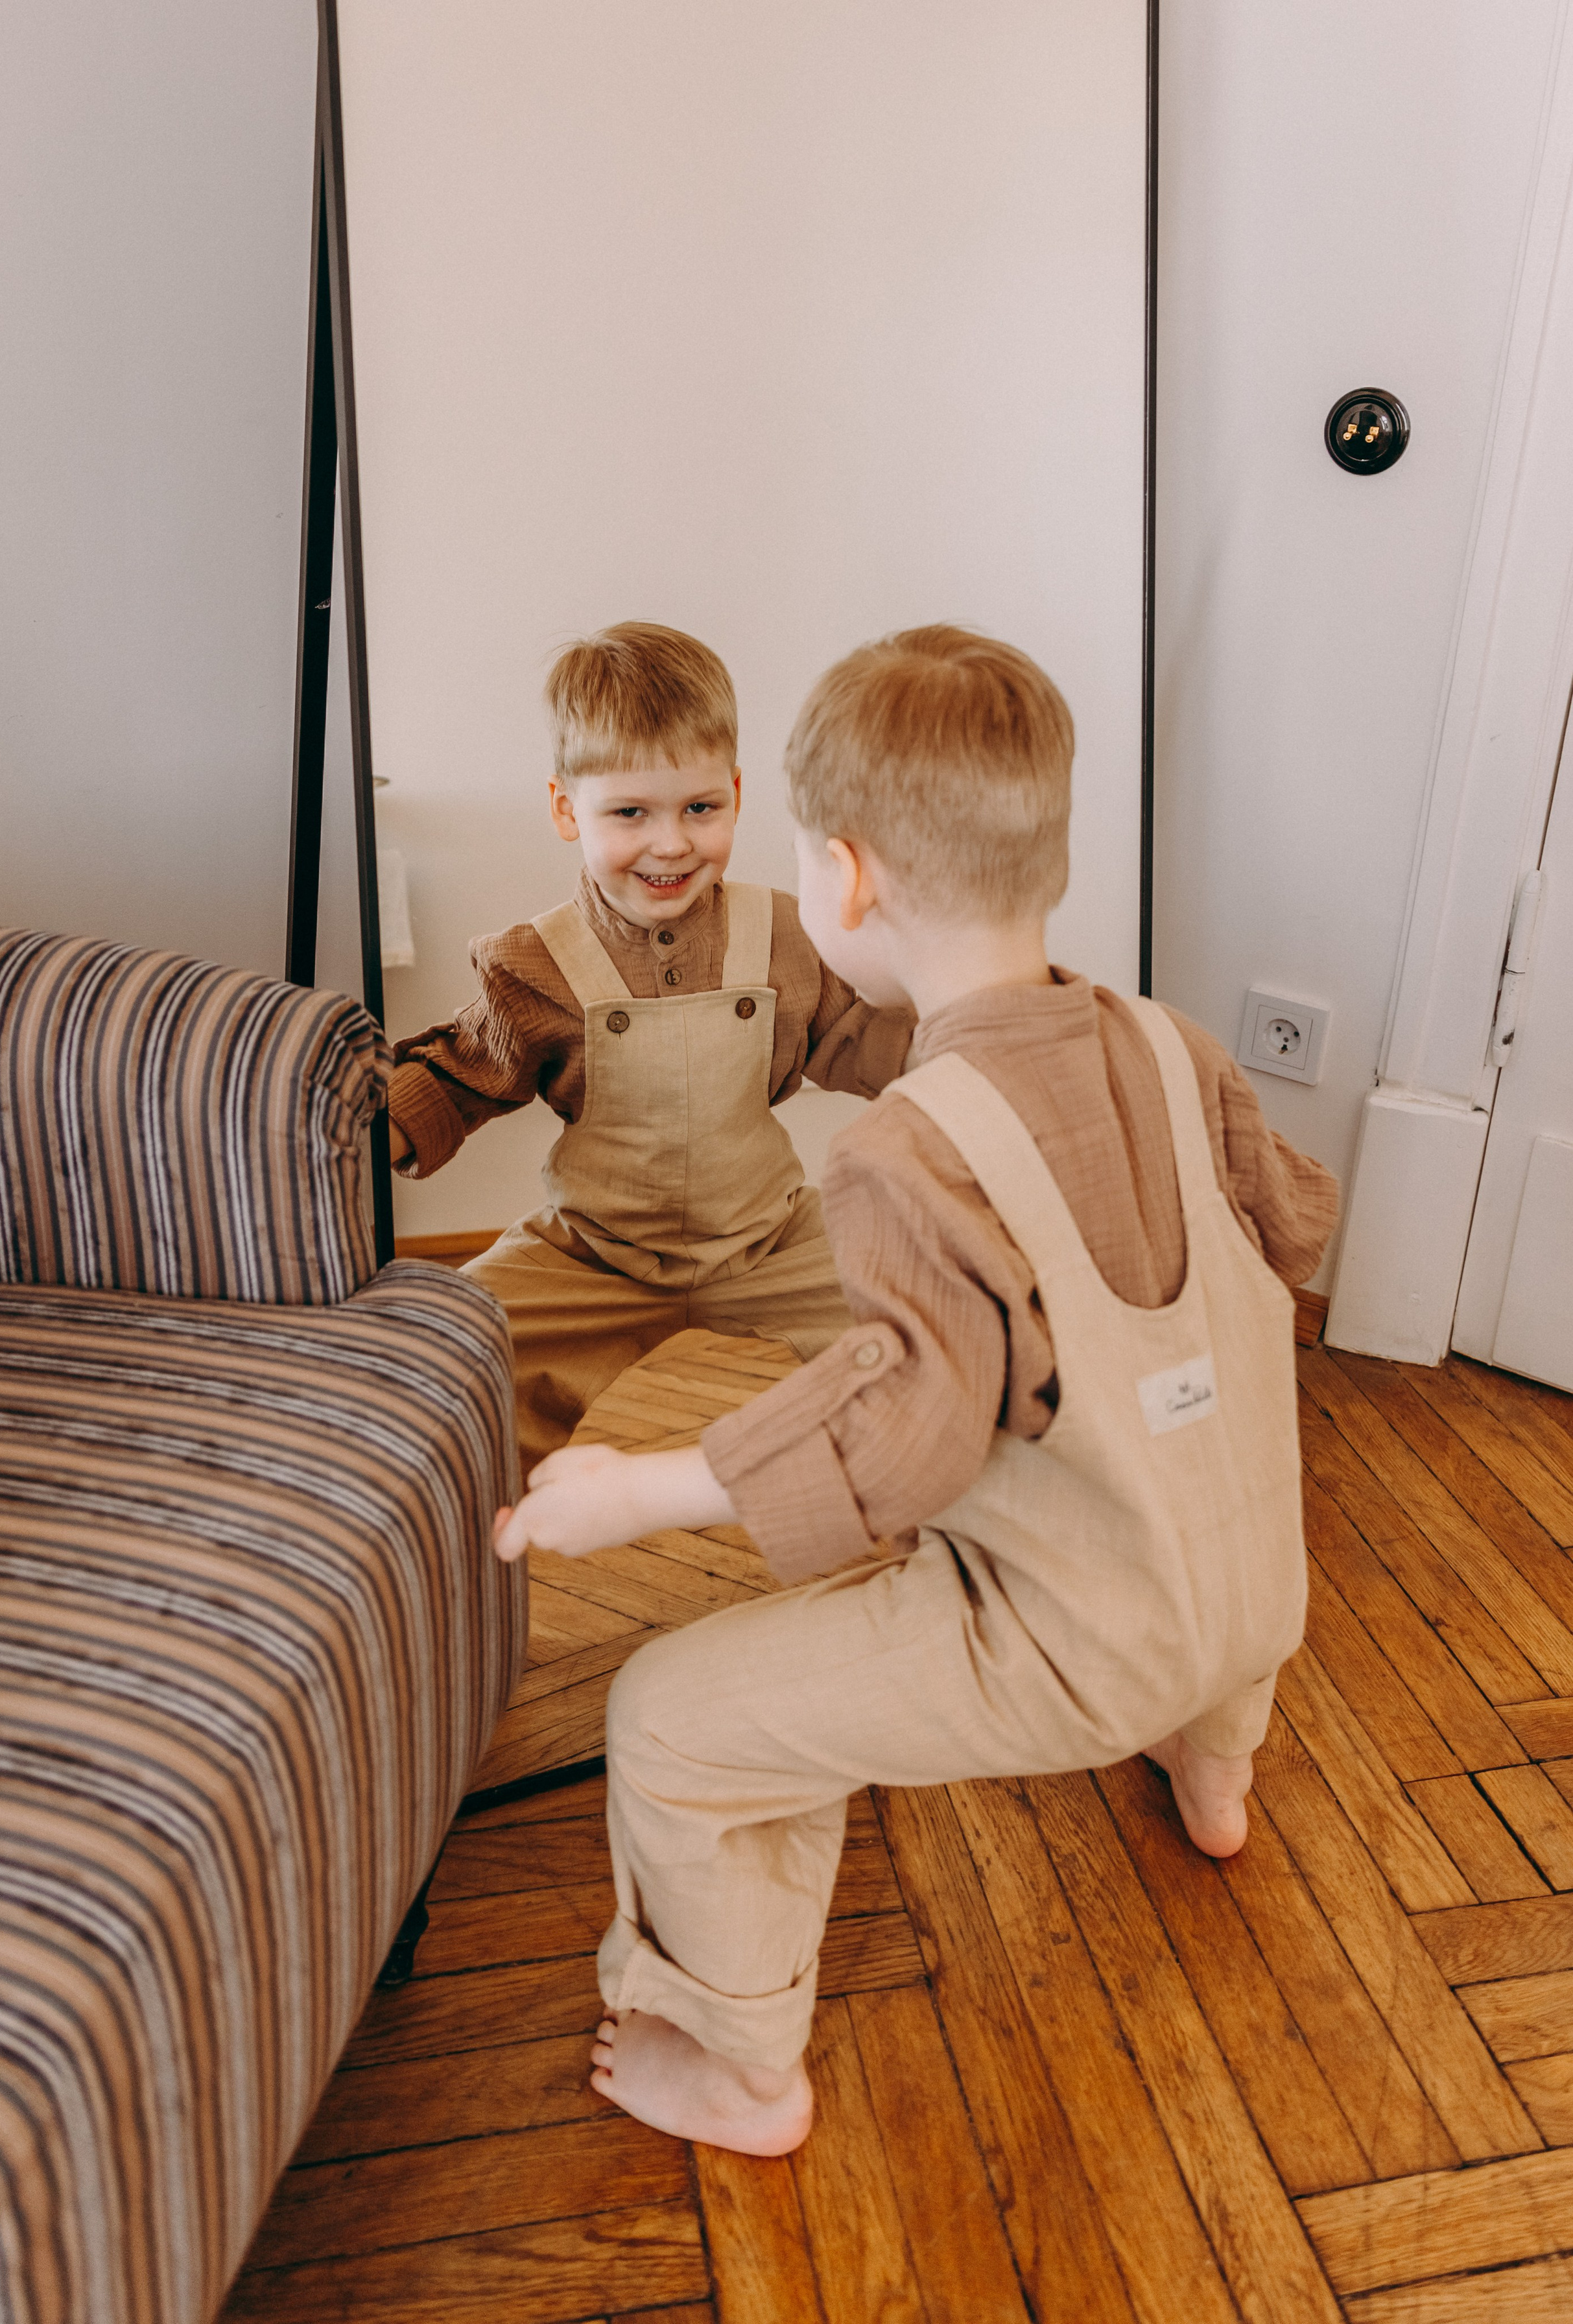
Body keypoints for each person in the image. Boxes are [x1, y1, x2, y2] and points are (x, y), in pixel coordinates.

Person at [492, 625, 1338, 2157]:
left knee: (672, 1718)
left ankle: (740, 2069)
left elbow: (904, 1428)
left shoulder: (904, 1148)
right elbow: (1299, 1227)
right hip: (1251, 1588)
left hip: (1076, 1641)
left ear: (845, 877)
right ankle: (1215, 1776)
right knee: (1195, 1549)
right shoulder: (1169, 1043)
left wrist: (644, 1488)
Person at [386, 621, 914, 1475]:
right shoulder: (537, 963)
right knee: (448, 1360)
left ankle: (927, 1508)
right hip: (593, 1255)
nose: (671, 843)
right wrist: (368, 1130)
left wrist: (975, 1057)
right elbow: (460, 1075)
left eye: (700, 809)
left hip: (771, 1243)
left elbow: (863, 1035)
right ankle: (469, 1532)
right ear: (566, 808)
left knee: (929, 1306)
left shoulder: (781, 933)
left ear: (737, 794)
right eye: (630, 812)